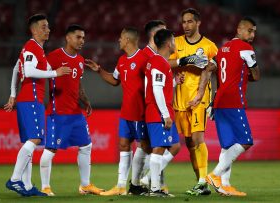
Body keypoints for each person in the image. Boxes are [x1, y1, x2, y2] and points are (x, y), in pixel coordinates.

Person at [4, 14, 71, 196]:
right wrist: (55, 73)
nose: (48, 30)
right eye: (43, 27)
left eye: (48, 26)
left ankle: (26, 187)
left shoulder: (34, 48)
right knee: (35, 139)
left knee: (30, 142)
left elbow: (16, 69)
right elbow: (31, 71)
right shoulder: (32, 46)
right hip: (31, 99)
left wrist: (12, 94)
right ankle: (15, 179)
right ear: (34, 30)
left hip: (26, 99)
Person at [39, 24, 104, 196]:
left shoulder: (80, 60)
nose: (82, 40)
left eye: (83, 37)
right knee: (50, 150)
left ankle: (85, 185)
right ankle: (45, 187)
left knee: (86, 145)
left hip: (76, 113)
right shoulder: (53, 57)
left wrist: (85, 100)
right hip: (57, 113)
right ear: (68, 38)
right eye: (78, 37)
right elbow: (37, 75)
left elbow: (78, 84)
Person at [85, 27, 149, 196]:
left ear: (128, 40)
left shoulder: (144, 58)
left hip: (140, 112)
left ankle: (142, 181)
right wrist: (99, 70)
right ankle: (121, 185)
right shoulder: (122, 60)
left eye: (121, 38)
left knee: (145, 146)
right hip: (126, 112)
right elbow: (115, 80)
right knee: (123, 145)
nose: (119, 40)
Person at [206, 17, 260, 196]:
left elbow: (211, 68)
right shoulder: (245, 48)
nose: (252, 35)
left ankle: (225, 186)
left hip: (219, 101)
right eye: (249, 31)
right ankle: (215, 175)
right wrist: (248, 74)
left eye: (254, 32)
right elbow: (256, 75)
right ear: (239, 30)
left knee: (227, 146)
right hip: (233, 100)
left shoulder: (223, 48)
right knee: (245, 141)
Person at [168, 8, 218, 196]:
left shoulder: (209, 46)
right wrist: (185, 61)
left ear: (198, 23)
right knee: (189, 143)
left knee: (198, 138)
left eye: (190, 22)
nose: (186, 25)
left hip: (199, 97)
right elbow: (165, 62)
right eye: (183, 22)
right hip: (181, 99)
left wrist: (210, 97)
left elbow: (214, 66)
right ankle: (200, 182)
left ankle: (203, 180)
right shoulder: (177, 42)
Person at [144, 29, 181, 197]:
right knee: (158, 149)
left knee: (174, 145)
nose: (175, 44)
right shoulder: (159, 62)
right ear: (168, 44)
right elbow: (156, 89)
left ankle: (149, 180)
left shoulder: (158, 61)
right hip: (158, 111)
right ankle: (155, 189)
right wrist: (165, 114)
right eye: (173, 41)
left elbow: (160, 87)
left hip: (160, 110)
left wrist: (173, 82)